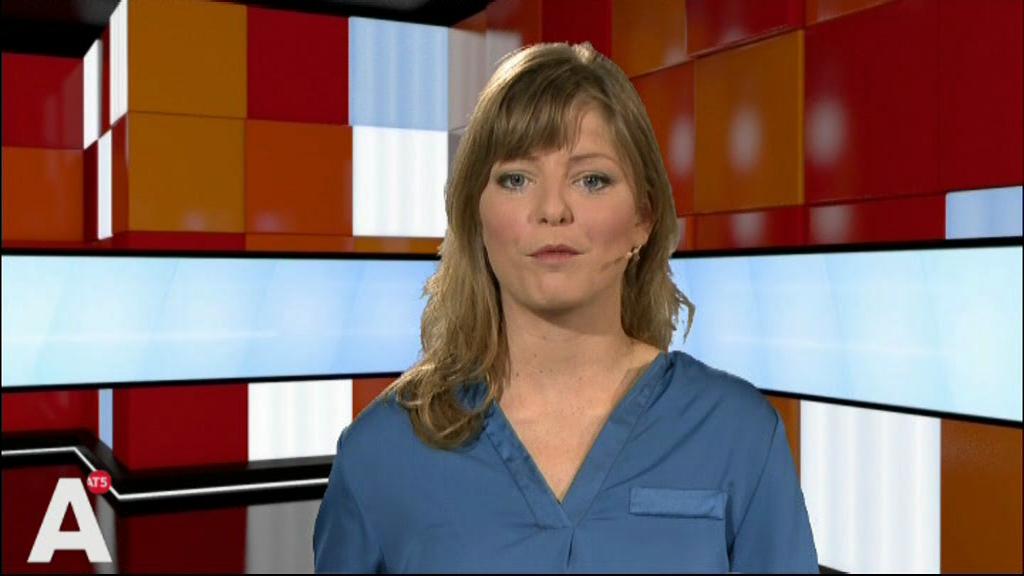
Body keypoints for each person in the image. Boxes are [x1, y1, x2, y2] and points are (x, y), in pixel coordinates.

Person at [313, 41, 818, 573]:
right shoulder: (382, 453)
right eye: (516, 179)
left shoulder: (737, 435)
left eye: (591, 180)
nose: (553, 210)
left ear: (644, 220)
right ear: (475, 215)